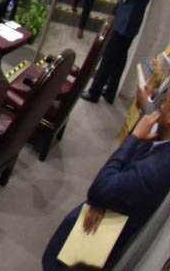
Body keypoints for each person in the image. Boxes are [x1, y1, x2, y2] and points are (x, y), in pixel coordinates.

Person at [42, 91, 170, 270]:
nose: (160, 107)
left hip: (89, 245)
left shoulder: (159, 167)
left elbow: (101, 189)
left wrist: (133, 139)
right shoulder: (161, 145)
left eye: (165, 104)